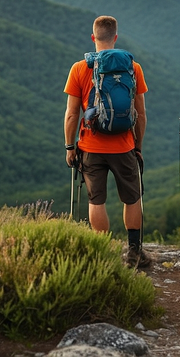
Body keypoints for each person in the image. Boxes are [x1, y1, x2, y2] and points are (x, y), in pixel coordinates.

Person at [63, 15, 150, 268]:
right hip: (124, 146)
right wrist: (138, 145)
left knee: (96, 200)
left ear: (93, 38)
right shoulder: (133, 68)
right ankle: (134, 252)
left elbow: (71, 114)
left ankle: (103, 253)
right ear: (115, 37)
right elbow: (141, 114)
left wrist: (70, 146)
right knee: (131, 198)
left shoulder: (80, 68)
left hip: (90, 147)